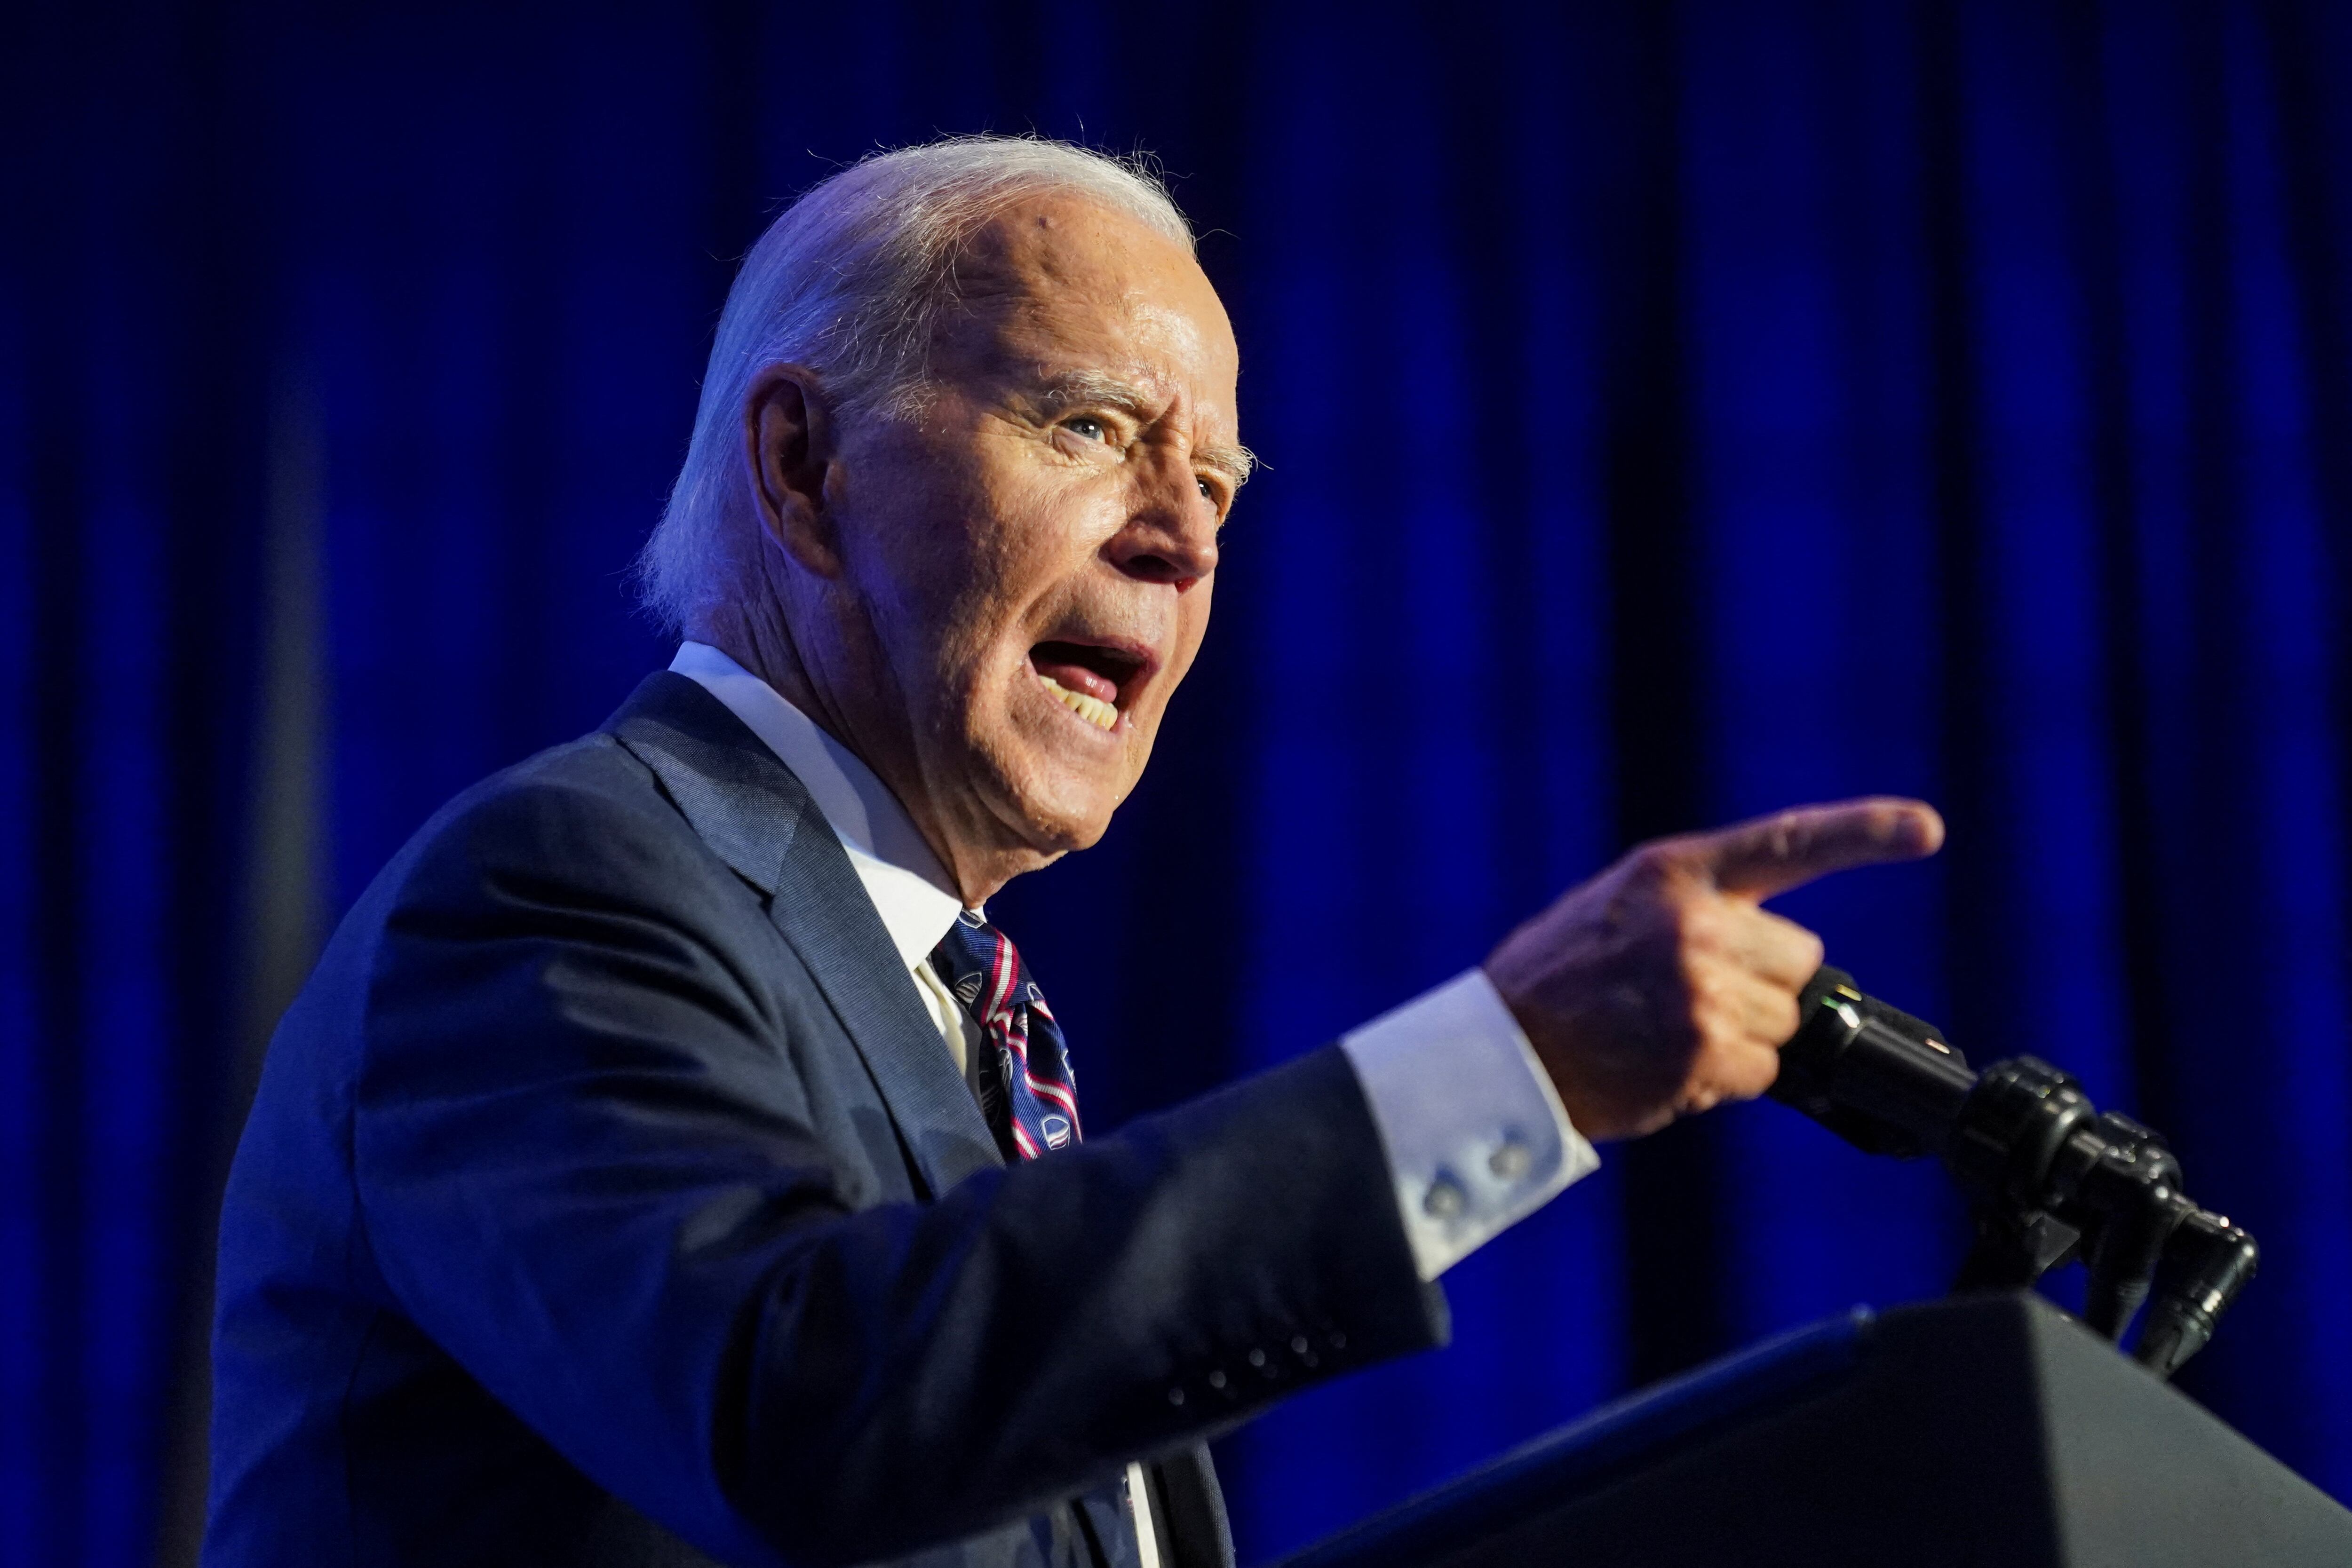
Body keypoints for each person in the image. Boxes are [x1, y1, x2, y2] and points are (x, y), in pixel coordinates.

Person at [204, 136, 1943, 1568]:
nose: (1186, 537)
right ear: (804, 471)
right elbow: (802, 1404)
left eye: (1222, 481)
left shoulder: (964, 1013)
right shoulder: (561, 889)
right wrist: (1504, 1069)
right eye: (1092, 429)